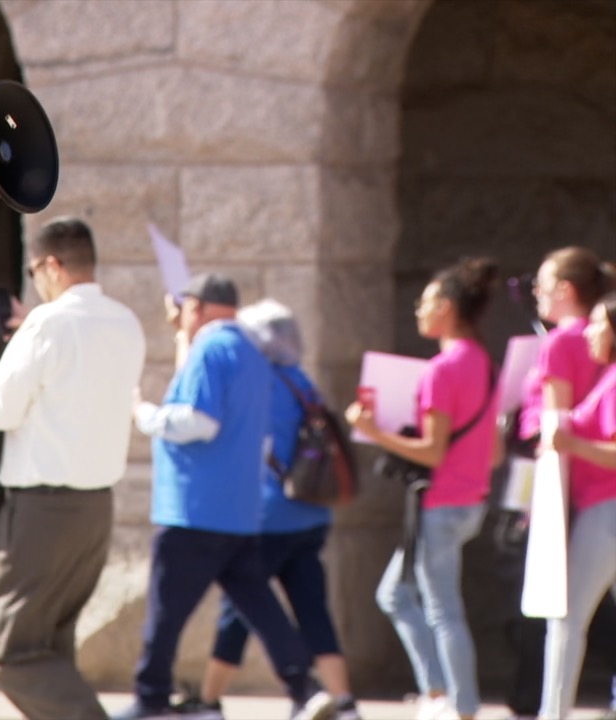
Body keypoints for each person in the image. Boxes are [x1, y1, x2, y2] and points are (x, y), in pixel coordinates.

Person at [120, 273, 335, 720]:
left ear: (196, 307)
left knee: (166, 611)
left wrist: (146, 415)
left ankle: (151, 697)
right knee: (260, 606)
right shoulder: (256, 356)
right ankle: (304, 687)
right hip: (239, 511)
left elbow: (201, 421)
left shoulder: (211, 348)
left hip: (194, 509)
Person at [0, 217, 145, 719]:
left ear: (52, 265)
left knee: (3, 647)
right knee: (49, 645)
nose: (36, 284)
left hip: (41, 510)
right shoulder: (126, 321)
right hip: (94, 510)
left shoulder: (48, 323)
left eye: (35, 272)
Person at [346, 257, 501, 720]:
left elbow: (432, 452)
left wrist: (373, 431)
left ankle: (462, 706)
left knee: (442, 610)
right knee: (395, 594)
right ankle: (437, 692)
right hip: (469, 502)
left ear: (449, 307)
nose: (419, 309)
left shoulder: (441, 369)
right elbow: (492, 449)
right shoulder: (483, 364)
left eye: (427, 301)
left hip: (441, 504)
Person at [193, 299, 359, 720]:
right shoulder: (302, 382)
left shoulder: (258, 385)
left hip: (267, 516)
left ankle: (208, 702)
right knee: (313, 610)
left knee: (238, 609)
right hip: (311, 514)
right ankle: (344, 702)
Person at [503, 247, 612, 720]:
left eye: (542, 287)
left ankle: (552, 712)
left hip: (593, 497)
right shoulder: (599, 364)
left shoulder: (563, 344)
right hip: (594, 495)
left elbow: (554, 426)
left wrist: (561, 449)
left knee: (563, 616)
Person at [540, 291, 616, 720]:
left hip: (607, 511)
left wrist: (570, 443)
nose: (590, 332)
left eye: (599, 324)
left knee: (565, 620)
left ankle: (554, 712)